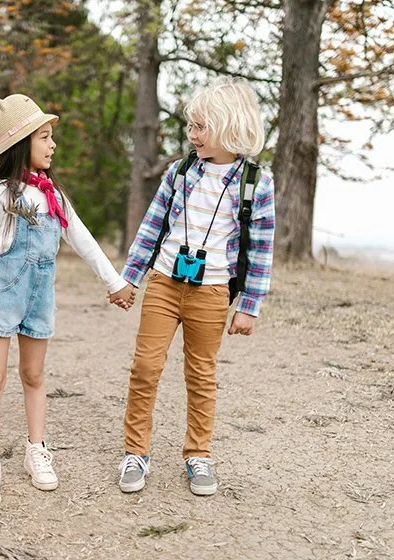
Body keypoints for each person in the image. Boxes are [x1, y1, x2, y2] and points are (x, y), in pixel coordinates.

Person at [0, 94, 136, 507]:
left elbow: (81, 238)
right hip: (1, 296)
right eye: (44, 137)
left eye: (51, 137)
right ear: (21, 143)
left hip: (39, 298)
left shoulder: (53, 194)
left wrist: (114, 281)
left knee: (34, 375)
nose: (52, 144)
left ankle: (36, 449)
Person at [117, 77, 276, 496]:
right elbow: (152, 226)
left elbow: (261, 249)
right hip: (165, 283)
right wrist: (130, 278)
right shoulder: (180, 171)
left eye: (201, 126)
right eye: (191, 126)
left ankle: (198, 455)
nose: (192, 134)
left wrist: (249, 306)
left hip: (212, 292)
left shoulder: (256, 183)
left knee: (201, 374)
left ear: (229, 126)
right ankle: (135, 452)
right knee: (146, 367)